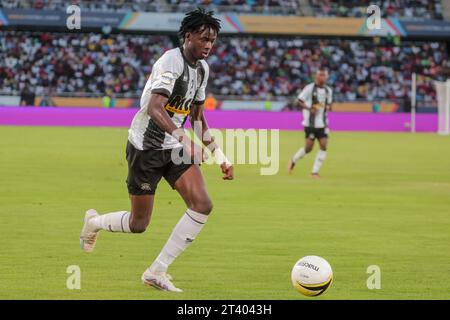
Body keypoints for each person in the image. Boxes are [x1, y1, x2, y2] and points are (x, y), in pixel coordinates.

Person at [80, 8, 234, 292]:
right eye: (203, 39)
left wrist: (219, 155)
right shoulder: (170, 61)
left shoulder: (203, 69)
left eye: (212, 40)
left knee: (202, 205)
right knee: (139, 224)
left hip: (174, 146)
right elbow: (154, 108)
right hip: (146, 147)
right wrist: (185, 139)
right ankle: (94, 222)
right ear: (188, 36)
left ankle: (156, 271)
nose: (209, 45)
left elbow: (197, 118)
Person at [288, 68, 333, 178]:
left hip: (323, 123)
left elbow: (329, 105)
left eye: (324, 75)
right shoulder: (309, 88)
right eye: (320, 75)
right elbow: (299, 101)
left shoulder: (328, 91)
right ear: (316, 76)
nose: (322, 77)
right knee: (308, 148)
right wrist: (309, 109)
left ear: (327, 77)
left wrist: (328, 107)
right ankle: (293, 160)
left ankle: (314, 172)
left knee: (324, 145)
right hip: (310, 124)